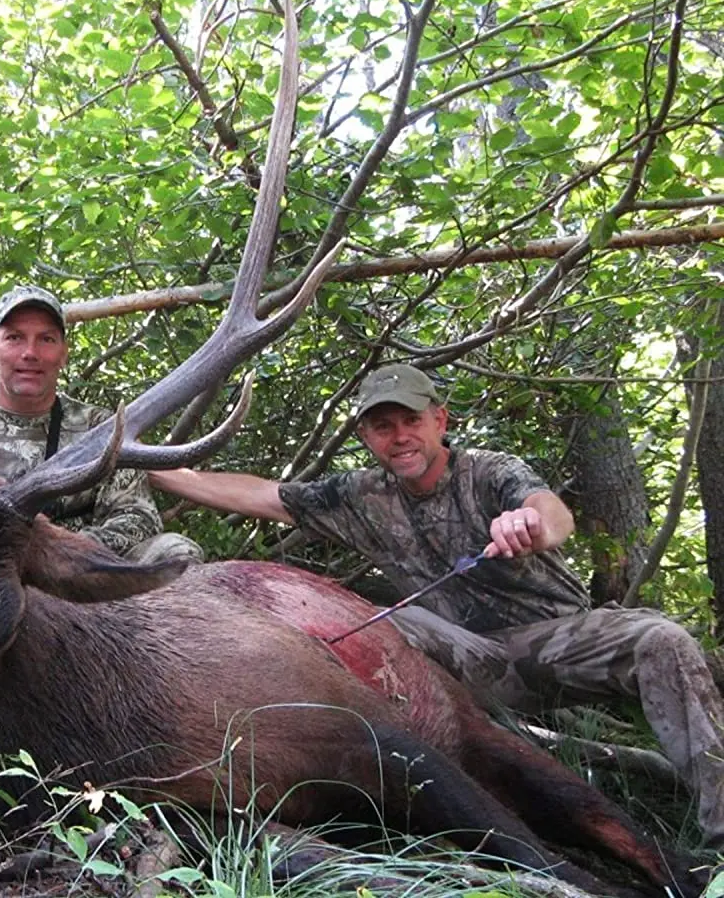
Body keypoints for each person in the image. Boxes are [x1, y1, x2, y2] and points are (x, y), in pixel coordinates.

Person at [148, 363, 724, 849]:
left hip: (555, 640)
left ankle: (718, 828)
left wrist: (530, 524)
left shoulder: (490, 472)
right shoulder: (360, 496)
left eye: (411, 421)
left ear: (440, 421)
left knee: (661, 640)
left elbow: (553, 512)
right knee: (381, 618)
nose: (399, 437)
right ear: (366, 436)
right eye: (382, 426)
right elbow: (262, 495)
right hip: (462, 668)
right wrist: (154, 467)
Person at [0, 285, 203, 565]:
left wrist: (53, 551)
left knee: (175, 552)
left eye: (46, 339)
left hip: (70, 576)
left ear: (63, 353)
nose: (30, 353)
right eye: (15, 338)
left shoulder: (101, 429)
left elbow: (138, 517)